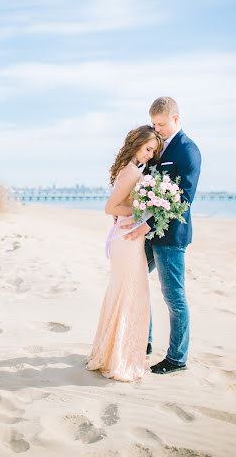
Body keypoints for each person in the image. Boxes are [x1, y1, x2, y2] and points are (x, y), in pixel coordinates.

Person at [122, 97, 202, 375]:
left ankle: (177, 358)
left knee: (173, 296)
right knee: (136, 282)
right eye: (154, 123)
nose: (158, 129)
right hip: (147, 233)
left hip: (171, 236)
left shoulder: (188, 150)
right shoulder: (156, 148)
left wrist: (150, 223)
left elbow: (184, 198)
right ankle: (143, 341)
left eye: (163, 124)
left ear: (177, 119)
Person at [85, 125, 164, 382]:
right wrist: (139, 211)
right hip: (127, 240)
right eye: (148, 149)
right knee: (130, 294)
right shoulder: (131, 172)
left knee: (125, 293)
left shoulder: (131, 169)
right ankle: (119, 358)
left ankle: (113, 353)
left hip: (126, 238)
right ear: (136, 144)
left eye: (153, 151)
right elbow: (110, 207)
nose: (150, 155)